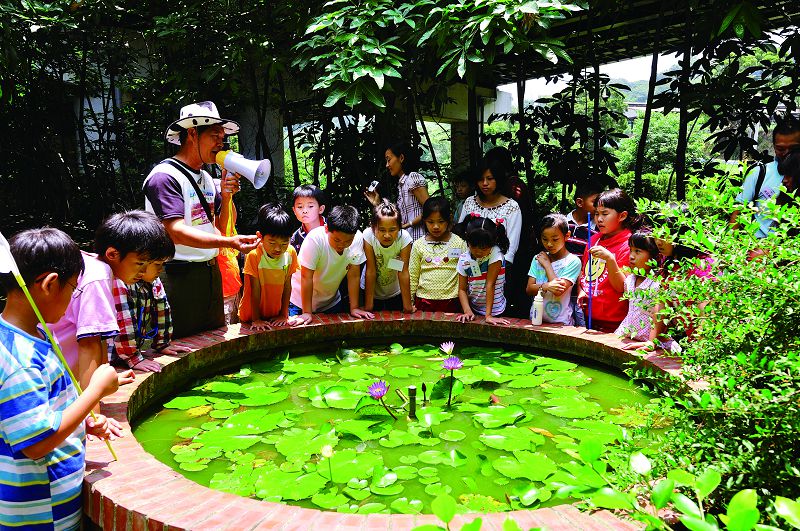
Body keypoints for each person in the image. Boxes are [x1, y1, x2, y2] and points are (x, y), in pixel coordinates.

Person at [0, 228, 128, 530]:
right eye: (73, 289)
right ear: (49, 284)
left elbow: (38, 412)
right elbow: (36, 442)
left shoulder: (32, 336)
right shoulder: (20, 360)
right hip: (40, 516)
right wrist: (94, 391)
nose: (74, 297)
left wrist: (83, 421)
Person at [143, 101, 259, 339]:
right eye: (215, 136)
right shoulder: (164, 177)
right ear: (192, 134)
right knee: (180, 344)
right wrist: (230, 244)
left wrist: (226, 197)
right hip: (177, 275)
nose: (220, 143)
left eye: (222, 137)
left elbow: (220, 226)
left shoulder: (206, 177)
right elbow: (175, 230)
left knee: (214, 339)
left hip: (209, 273)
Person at [50, 211, 160, 395]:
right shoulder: (98, 277)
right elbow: (89, 344)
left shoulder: (92, 265)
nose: (145, 271)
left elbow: (99, 338)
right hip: (55, 383)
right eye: (140, 263)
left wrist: (105, 379)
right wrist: (93, 414)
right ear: (112, 254)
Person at [111, 222, 190, 372]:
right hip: (112, 356)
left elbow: (163, 310)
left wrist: (163, 343)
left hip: (133, 349)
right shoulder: (120, 281)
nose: (161, 270)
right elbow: (124, 321)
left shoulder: (154, 280)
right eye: (157, 264)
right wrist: (132, 358)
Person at [289, 205, 374, 324]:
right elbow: (306, 277)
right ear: (326, 228)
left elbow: (353, 274)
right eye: (337, 240)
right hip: (299, 303)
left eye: (347, 241)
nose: (342, 245)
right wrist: (307, 312)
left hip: (331, 302)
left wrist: (354, 307)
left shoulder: (358, 239)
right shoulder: (315, 239)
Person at [577, 189, 643, 332]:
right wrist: (581, 290)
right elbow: (583, 274)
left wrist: (610, 259)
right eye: (596, 213)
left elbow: (623, 287)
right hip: (589, 317)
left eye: (605, 214)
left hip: (617, 322)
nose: (599, 219)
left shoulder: (630, 245)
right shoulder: (593, 239)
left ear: (622, 216)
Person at [730, 116, 800, 238]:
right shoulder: (759, 173)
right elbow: (737, 213)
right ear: (773, 146)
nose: (787, 152)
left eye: (794, 148)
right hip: (757, 249)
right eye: (781, 148)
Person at [616, 231, 680, 353]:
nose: (631, 256)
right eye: (631, 250)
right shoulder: (629, 280)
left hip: (655, 341)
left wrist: (652, 341)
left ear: (654, 256)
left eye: (638, 251)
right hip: (627, 334)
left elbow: (663, 316)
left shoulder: (659, 283)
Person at [238, 203, 298, 330]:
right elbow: (255, 290)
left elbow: (288, 285)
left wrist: (283, 314)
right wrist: (256, 319)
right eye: (272, 242)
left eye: (284, 243)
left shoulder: (291, 253)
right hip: (251, 315)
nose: (278, 248)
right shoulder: (254, 255)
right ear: (260, 236)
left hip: (275, 314)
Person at [457, 160, 522, 271]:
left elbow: (512, 244)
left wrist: (499, 267)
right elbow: (460, 237)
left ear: (498, 179)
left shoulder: (511, 206)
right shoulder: (469, 202)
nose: (485, 183)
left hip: (498, 268)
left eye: (490, 179)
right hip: (468, 267)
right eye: (481, 179)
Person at [409, 197, 467, 313]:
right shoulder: (418, 245)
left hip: (452, 301)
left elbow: (466, 272)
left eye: (441, 221)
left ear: (449, 219)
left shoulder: (459, 243)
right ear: (424, 220)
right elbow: (413, 275)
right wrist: (410, 301)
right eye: (431, 222)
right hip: (424, 301)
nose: (436, 226)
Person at [365, 141, 430, 241]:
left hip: (419, 239)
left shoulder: (413, 177)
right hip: (407, 241)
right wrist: (377, 204)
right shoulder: (402, 184)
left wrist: (406, 225)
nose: (387, 165)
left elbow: (430, 210)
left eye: (389, 160)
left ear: (401, 158)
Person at [526, 214, 582, 325]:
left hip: (561, 322)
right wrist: (546, 286)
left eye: (555, 239)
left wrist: (547, 265)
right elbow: (529, 289)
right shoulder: (538, 259)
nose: (549, 244)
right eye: (544, 239)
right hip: (536, 319)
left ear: (567, 236)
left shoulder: (573, 261)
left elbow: (558, 291)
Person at [455, 215, 510, 326]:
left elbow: (491, 284)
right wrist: (467, 311)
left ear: (493, 242)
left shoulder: (495, 253)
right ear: (467, 240)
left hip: (496, 310)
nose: (478, 252)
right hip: (474, 307)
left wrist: (488, 316)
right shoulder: (464, 258)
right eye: (474, 247)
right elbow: (461, 289)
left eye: (483, 248)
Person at [362, 200, 414, 313]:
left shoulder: (404, 238)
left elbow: (403, 272)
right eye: (381, 230)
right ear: (373, 228)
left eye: (392, 230)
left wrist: (408, 306)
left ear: (399, 228)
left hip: (395, 291)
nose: (387, 235)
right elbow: (371, 271)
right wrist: (368, 306)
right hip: (370, 291)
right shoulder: (368, 235)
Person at [565, 183, 602, 256]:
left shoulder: (599, 228)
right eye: (595, 202)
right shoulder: (562, 223)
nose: (599, 207)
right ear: (579, 202)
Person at [290, 184, 327, 254]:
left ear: (321, 209)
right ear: (294, 210)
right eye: (300, 207)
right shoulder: (294, 240)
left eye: (310, 206)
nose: (305, 211)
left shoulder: (333, 228)